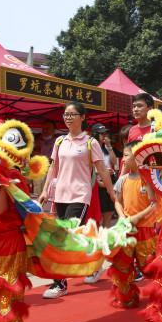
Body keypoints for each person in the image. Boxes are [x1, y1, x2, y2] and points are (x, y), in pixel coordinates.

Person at [37, 101, 122, 298]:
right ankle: (96, 261)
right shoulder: (60, 142)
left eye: (73, 114)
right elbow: (53, 167)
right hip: (60, 194)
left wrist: (111, 192)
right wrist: (45, 191)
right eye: (66, 114)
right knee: (77, 237)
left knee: (64, 236)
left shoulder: (90, 143)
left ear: (83, 117)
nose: (68, 117)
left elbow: (102, 170)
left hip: (80, 195)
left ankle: (60, 283)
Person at [108, 141, 156, 307]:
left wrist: (137, 218)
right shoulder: (122, 180)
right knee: (122, 265)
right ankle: (127, 297)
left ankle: (158, 298)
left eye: (127, 155)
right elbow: (117, 201)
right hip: (126, 229)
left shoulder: (147, 179)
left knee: (149, 265)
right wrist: (123, 217)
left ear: (138, 157)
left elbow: (154, 204)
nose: (123, 159)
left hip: (145, 230)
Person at [93, 123, 120, 227]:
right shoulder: (91, 147)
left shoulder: (106, 148)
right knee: (97, 217)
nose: (104, 136)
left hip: (108, 183)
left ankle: (105, 240)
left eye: (105, 133)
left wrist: (109, 146)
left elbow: (114, 162)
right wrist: (101, 172)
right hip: (97, 184)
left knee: (108, 214)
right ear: (95, 134)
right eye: (101, 134)